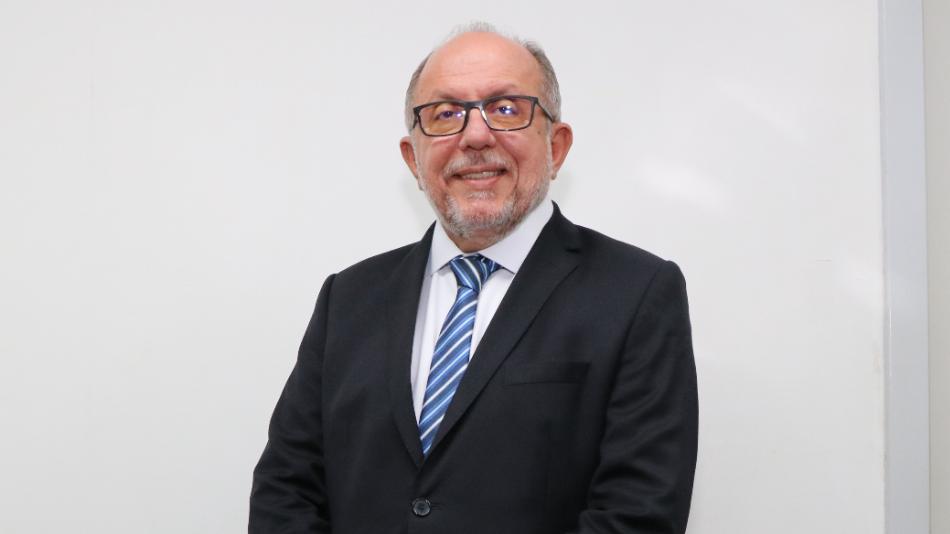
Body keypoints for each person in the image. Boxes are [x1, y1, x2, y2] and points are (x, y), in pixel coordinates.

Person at [250, 24, 698, 534]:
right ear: (412, 158)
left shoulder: (637, 294)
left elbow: (638, 516)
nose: (476, 135)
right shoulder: (348, 297)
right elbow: (287, 490)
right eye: (445, 114)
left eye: (506, 109)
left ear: (556, 146)